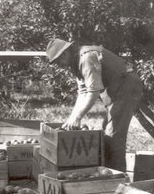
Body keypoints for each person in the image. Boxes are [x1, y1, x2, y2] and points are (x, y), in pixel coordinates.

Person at [45, 39, 144, 172]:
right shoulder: (76, 62)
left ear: (65, 53)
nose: (59, 65)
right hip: (115, 88)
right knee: (107, 132)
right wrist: (72, 117)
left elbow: (93, 91)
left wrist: (78, 117)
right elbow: (83, 92)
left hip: (125, 86)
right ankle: (110, 173)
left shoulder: (86, 58)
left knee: (113, 136)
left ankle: (118, 178)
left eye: (58, 60)